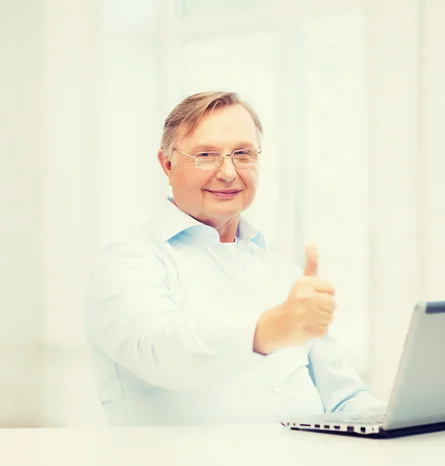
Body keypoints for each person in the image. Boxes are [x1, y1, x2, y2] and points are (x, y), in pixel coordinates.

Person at [85, 91, 383, 426]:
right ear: (167, 164)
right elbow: (162, 352)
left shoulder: (282, 272)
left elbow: (344, 397)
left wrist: (405, 419)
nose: (228, 172)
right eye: (206, 155)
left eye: (242, 154)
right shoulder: (127, 263)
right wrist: (269, 329)